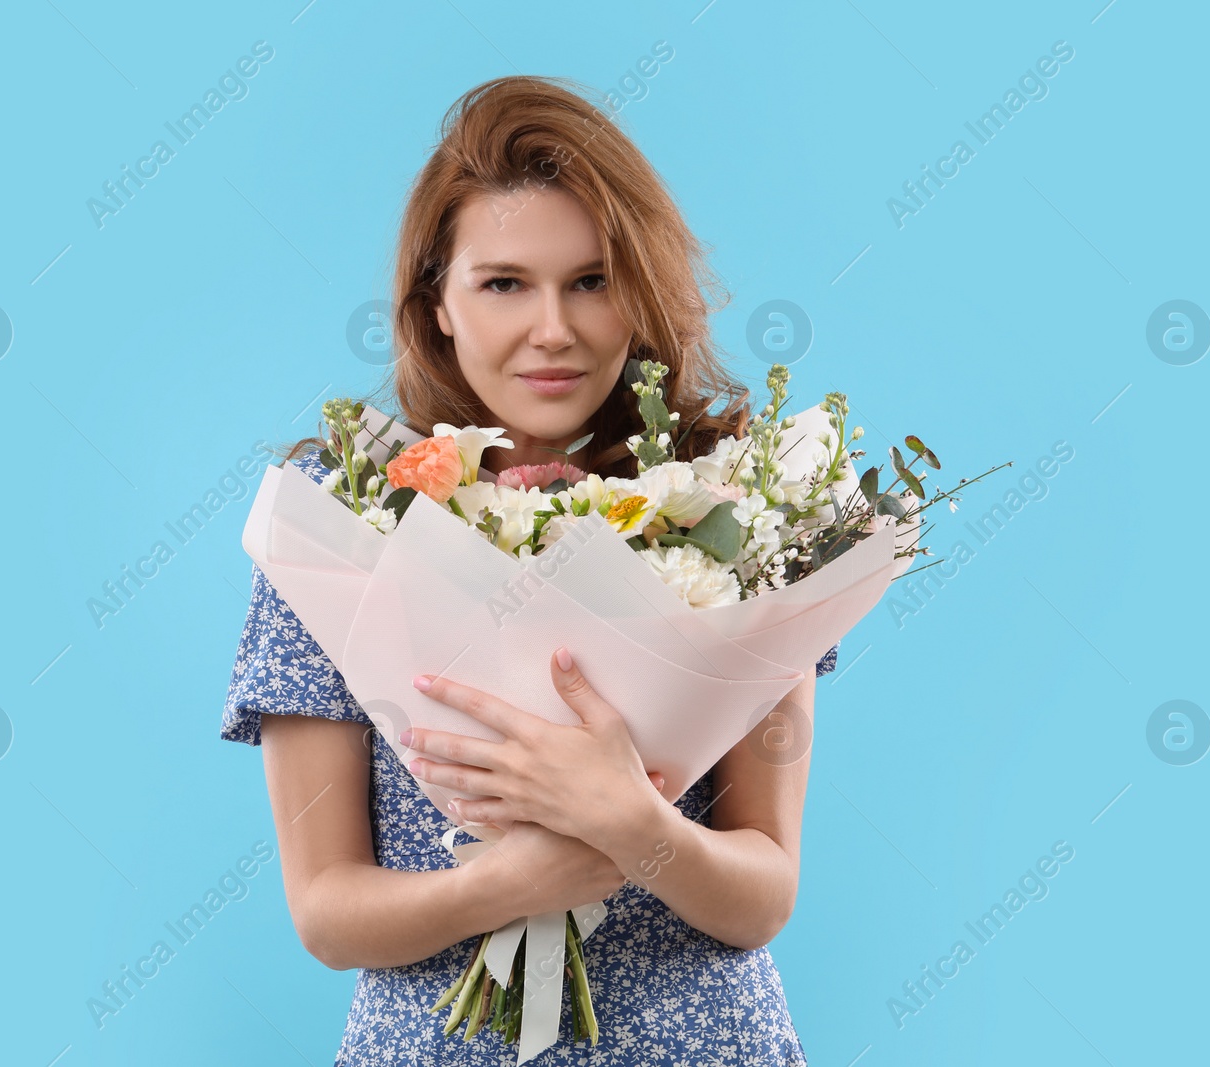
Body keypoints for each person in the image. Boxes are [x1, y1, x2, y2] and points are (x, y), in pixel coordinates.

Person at [220, 74, 840, 1065]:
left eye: (590, 280)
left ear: (639, 295)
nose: (552, 327)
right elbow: (328, 908)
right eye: (504, 282)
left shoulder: (740, 512)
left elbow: (764, 890)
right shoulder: (339, 517)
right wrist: (515, 880)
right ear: (438, 304)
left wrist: (638, 826)